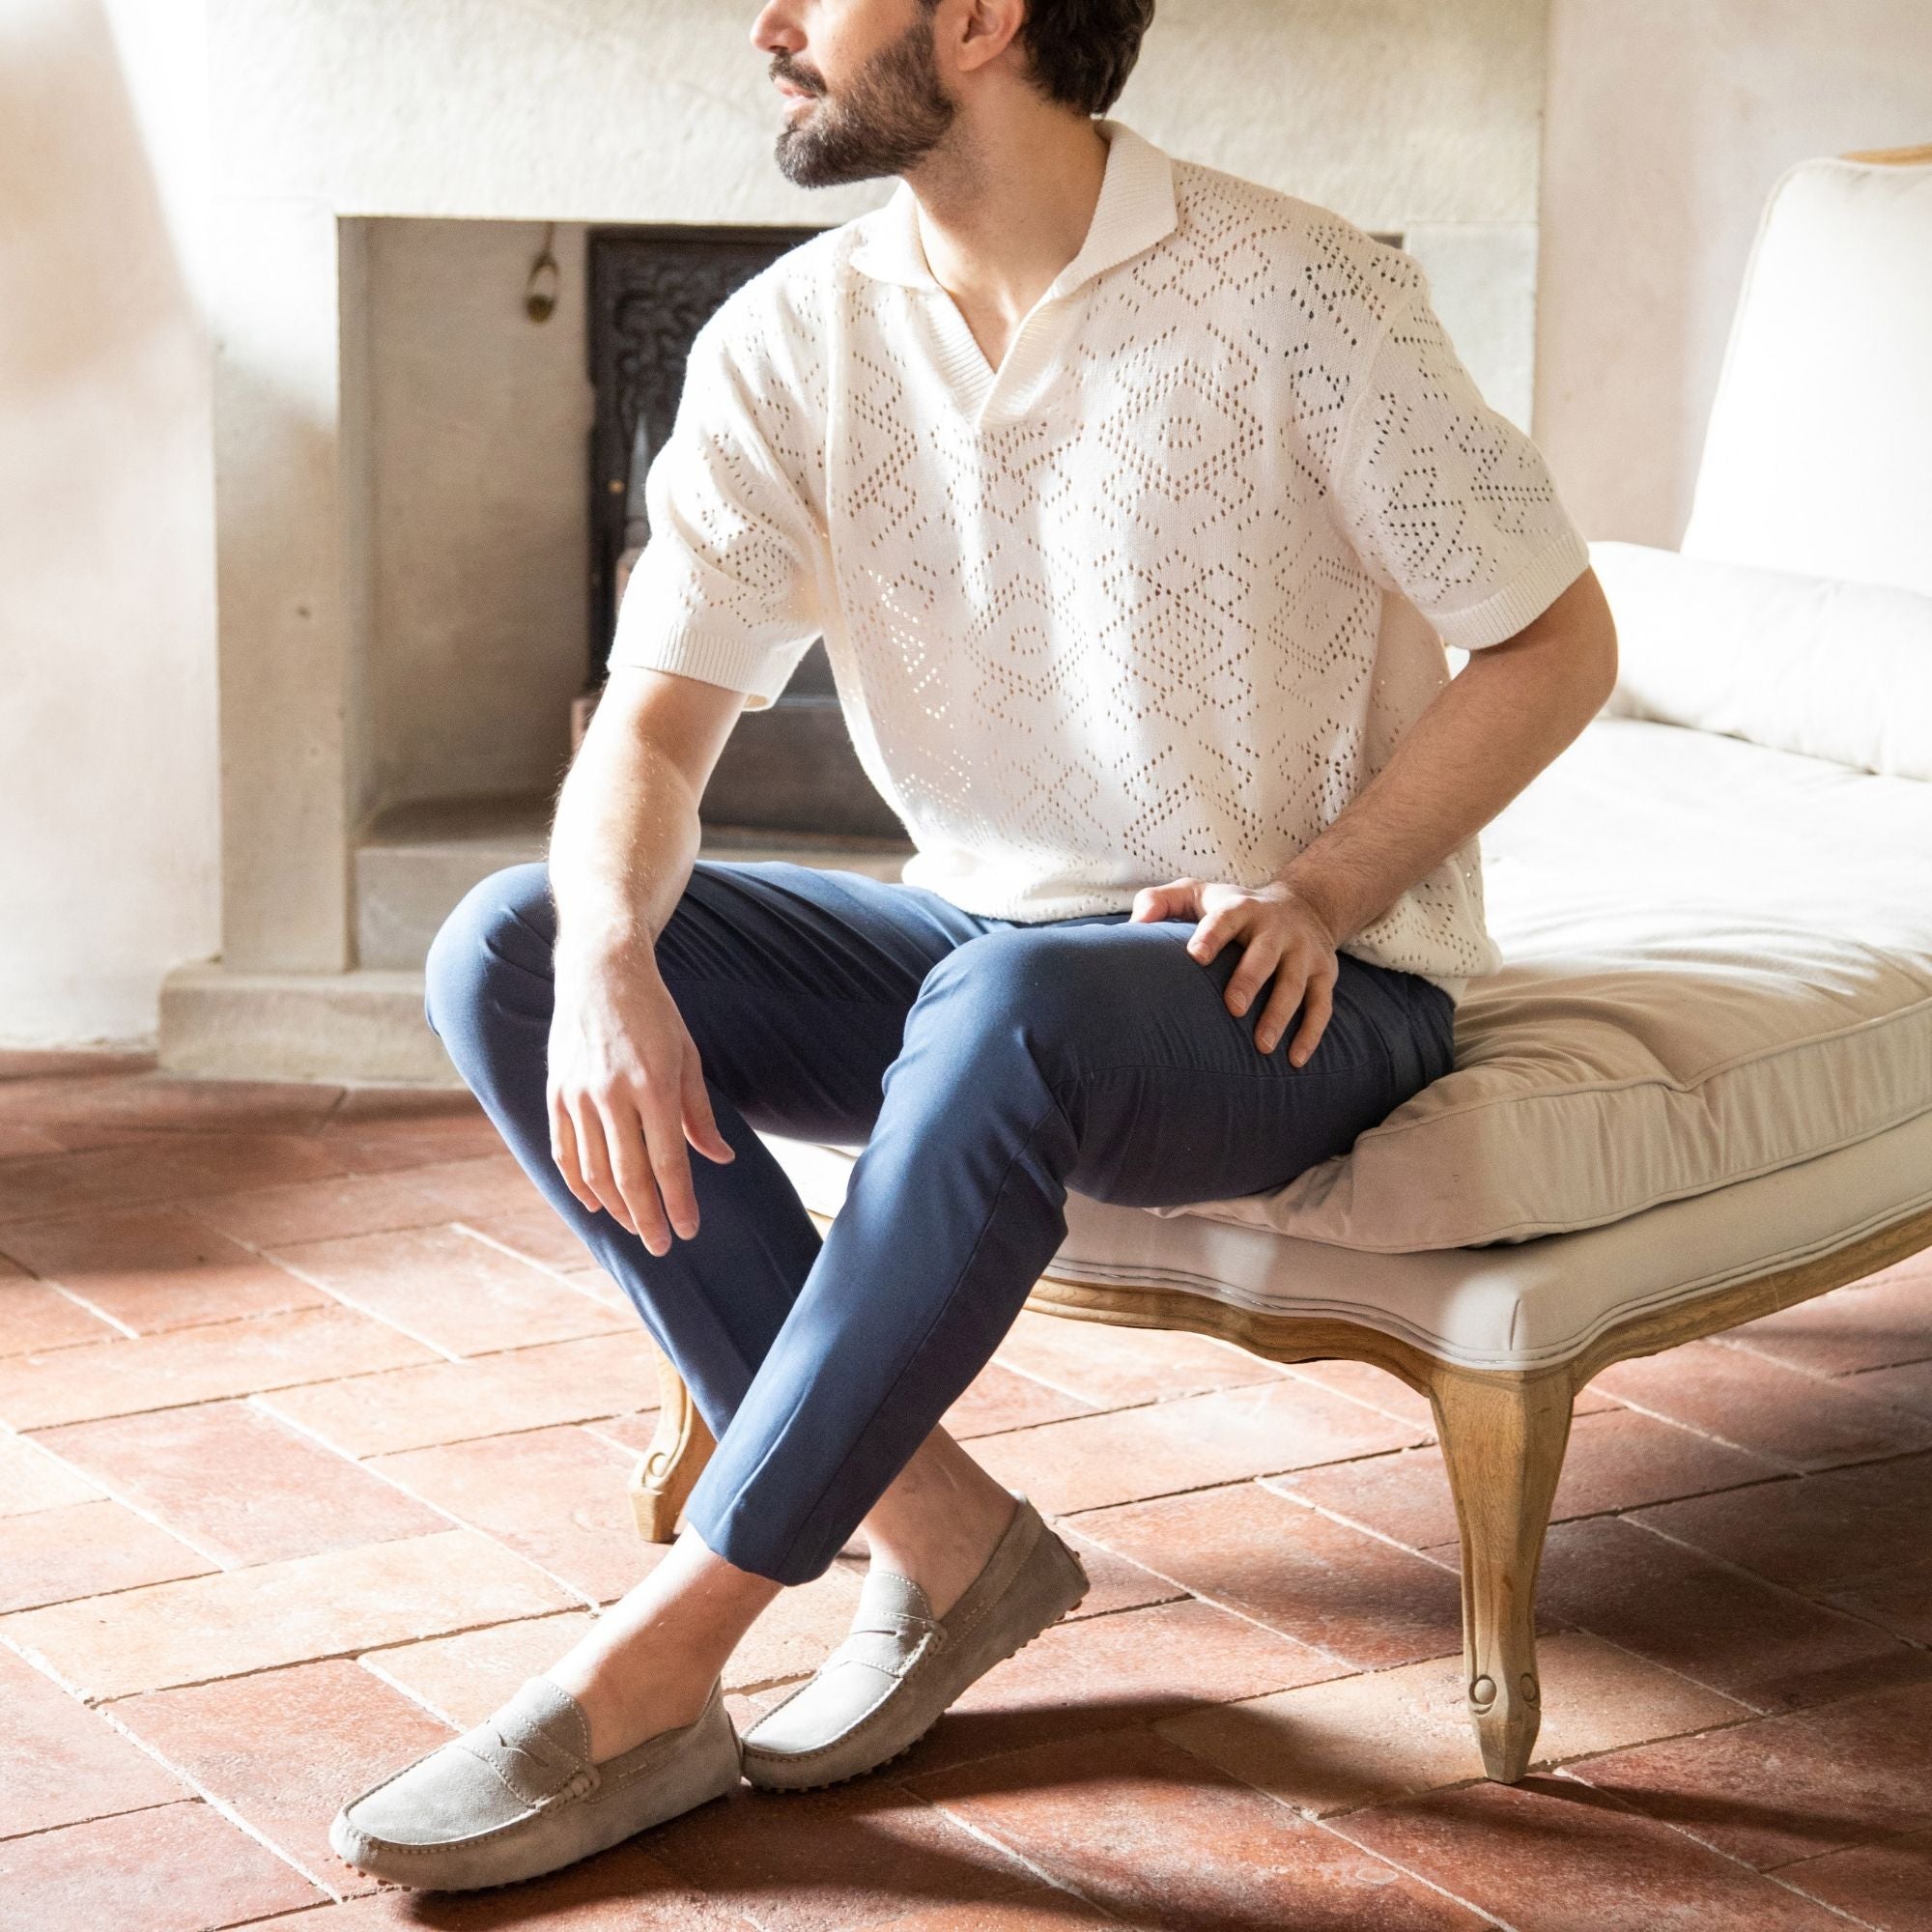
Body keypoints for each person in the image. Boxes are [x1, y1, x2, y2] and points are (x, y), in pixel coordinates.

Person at [331, 0, 1617, 1892]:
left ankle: (667, 1656)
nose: (763, 22)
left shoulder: (1302, 292)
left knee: (1008, 1006)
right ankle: (941, 1536)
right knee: (511, 947)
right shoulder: (798, 335)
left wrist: (1327, 887)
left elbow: (1555, 641)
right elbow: (652, 727)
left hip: (1306, 987)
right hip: (978, 948)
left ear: (985, 17)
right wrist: (612, 955)